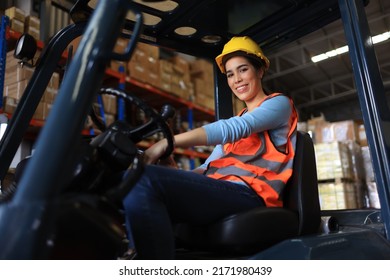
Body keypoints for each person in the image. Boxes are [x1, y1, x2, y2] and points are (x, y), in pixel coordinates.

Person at [122, 36, 298, 259]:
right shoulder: (238, 121)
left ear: (260, 70)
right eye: (231, 74)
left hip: (252, 194)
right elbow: (207, 168)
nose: (237, 79)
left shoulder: (278, 104)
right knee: (129, 178)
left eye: (243, 70)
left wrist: (167, 142)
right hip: (226, 192)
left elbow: (238, 127)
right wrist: (171, 168)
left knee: (144, 179)